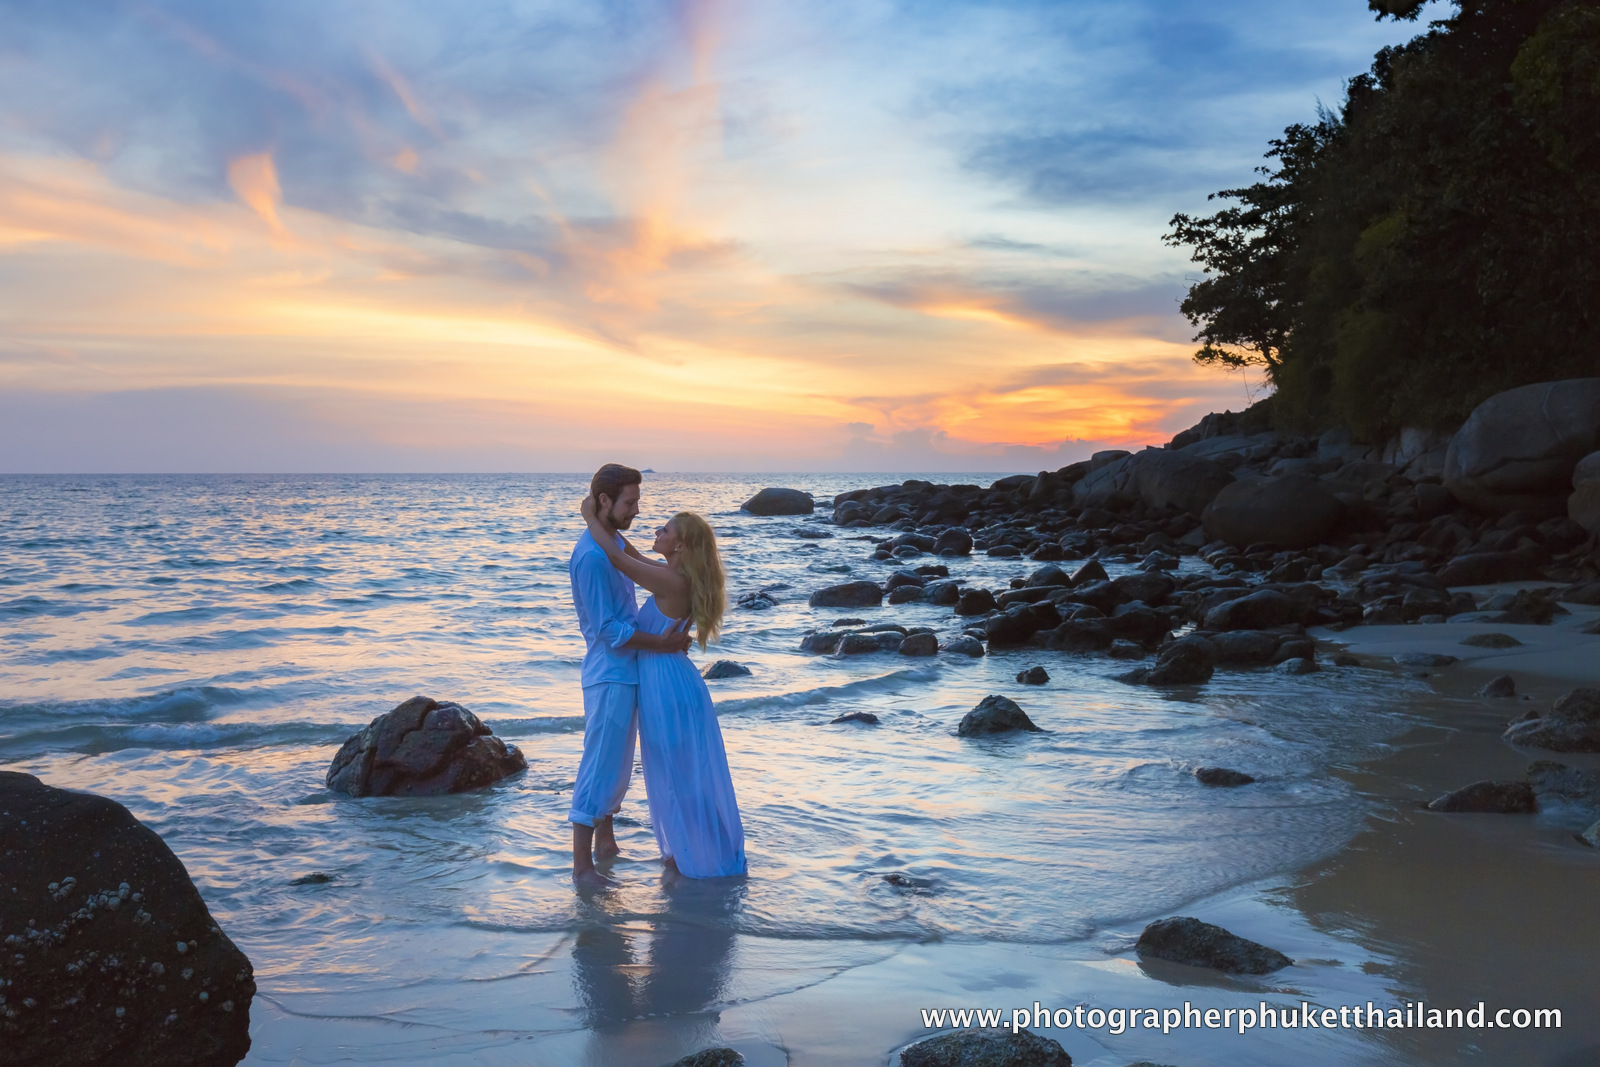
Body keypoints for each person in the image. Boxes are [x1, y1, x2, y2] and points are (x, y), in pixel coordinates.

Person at [579, 495, 747, 879]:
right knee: (676, 770)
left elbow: (620, 560)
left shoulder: (671, 581)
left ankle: (699, 857)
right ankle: (687, 850)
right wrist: (606, 528)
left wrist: (591, 518)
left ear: (681, 545)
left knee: (678, 771)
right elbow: (630, 553)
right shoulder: (670, 574)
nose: (657, 530)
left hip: (668, 687)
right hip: (667, 681)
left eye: (666, 529)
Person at [568, 464, 692, 888]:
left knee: (618, 767)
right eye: (630, 502)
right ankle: (581, 867)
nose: (637, 510)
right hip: (610, 675)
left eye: (637, 502)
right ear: (604, 501)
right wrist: (663, 644)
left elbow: (630, 557)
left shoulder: (614, 542)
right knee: (600, 764)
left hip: (626, 672)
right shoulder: (590, 556)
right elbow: (608, 630)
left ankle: (606, 843)